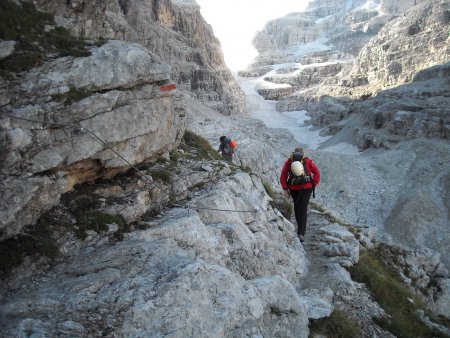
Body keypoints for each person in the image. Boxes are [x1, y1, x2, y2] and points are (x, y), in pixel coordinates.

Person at [280, 147, 320, 242]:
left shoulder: (289, 162)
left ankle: (300, 230)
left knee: (297, 207)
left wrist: (285, 189)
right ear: (303, 153)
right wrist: (313, 184)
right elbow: (317, 173)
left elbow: (283, 175)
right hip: (307, 188)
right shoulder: (308, 161)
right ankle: (301, 233)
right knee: (303, 208)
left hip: (293, 189)